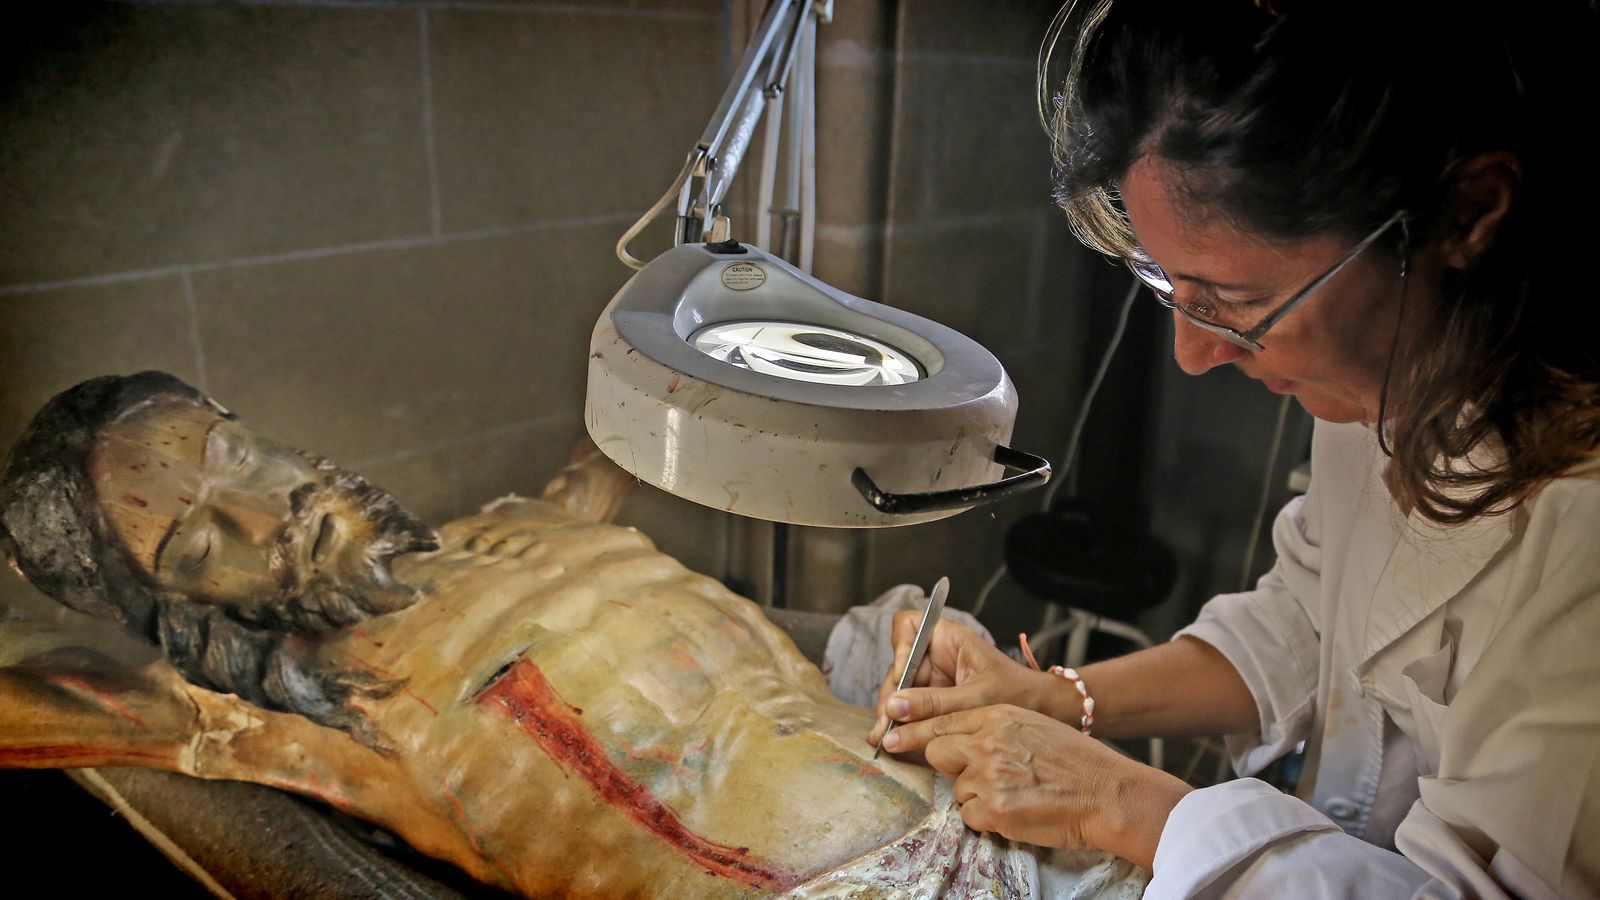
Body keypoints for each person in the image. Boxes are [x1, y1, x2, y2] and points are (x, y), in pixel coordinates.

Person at [869, 1, 1600, 897]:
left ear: (1468, 215)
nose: (1194, 352)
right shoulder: (1376, 377)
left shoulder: (1584, 531)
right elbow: (1312, 616)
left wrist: (1124, 802)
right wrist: (1053, 698)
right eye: (1173, 290)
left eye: (1238, 306)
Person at [1, 372, 1145, 898]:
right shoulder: (309, 718)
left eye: (235, 453)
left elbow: (653, 412)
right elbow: (28, 697)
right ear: (184, 612)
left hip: (1008, 814)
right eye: (201, 548)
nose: (270, 507)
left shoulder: (529, 521)